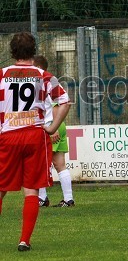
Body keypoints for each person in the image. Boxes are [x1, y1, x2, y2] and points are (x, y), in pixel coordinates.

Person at [0, 32, 70, 251]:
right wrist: (51, 127)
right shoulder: (45, 76)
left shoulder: (2, 75)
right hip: (34, 135)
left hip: (8, 135)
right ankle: (24, 241)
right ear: (33, 51)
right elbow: (65, 101)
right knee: (31, 190)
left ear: (12, 52)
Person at [33, 55, 74, 208]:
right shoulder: (50, 82)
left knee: (41, 164)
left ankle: (42, 198)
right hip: (58, 125)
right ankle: (68, 199)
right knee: (59, 163)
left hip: (52, 126)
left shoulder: (44, 83)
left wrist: (52, 128)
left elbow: (56, 106)